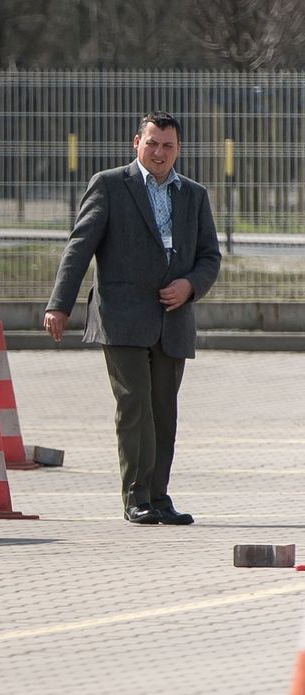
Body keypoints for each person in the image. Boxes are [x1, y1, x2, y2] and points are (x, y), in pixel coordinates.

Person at [44, 111, 221, 525]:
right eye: (153, 143)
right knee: (134, 403)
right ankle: (135, 496)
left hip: (172, 319)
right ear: (136, 143)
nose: (159, 152)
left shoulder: (193, 195)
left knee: (163, 409)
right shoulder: (109, 186)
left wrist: (190, 285)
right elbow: (79, 246)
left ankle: (159, 496)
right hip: (121, 316)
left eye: (168, 146)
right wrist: (59, 304)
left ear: (178, 150)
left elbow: (210, 256)